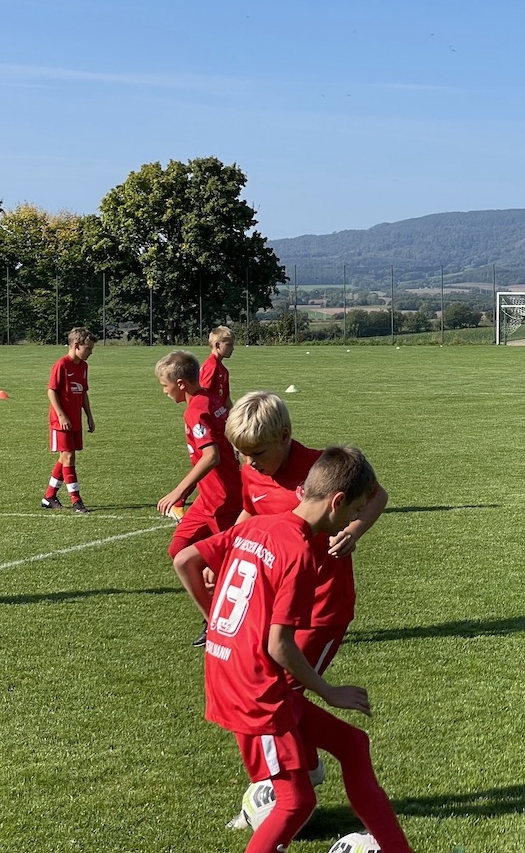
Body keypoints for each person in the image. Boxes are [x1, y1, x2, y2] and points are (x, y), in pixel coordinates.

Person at [172, 446, 414, 853]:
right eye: (355, 510)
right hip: (255, 694)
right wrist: (329, 691)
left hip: (238, 675)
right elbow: (279, 645)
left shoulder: (256, 526)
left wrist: (217, 623)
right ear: (337, 501)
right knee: (294, 802)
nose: (353, 521)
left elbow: (184, 560)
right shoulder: (300, 553)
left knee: (353, 745)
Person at [223, 390, 388, 803]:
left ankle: (291, 787)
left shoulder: (322, 469)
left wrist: (353, 531)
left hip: (322, 608)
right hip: (277, 605)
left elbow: (377, 495)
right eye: (242, 454)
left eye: (257, 453)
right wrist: (228, 551)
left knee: (282, 691)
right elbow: (250, 513)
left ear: (284, 436)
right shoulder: (251, 472)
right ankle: (301, 774)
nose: (249, 462)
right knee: (268, 689)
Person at [155, 350, 242, 645]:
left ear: (180, 383)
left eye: (164, 385)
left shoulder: (197, 410)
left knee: (226, 566)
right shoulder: (209, 400)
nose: (163, 391)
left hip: (222, 500)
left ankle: (221, 624)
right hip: (208, 498)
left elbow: (211, 456)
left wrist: (179, 491)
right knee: (179, 549)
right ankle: (213, 616)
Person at [41, 328, 96, 513]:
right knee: (69, 457)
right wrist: (61, 415)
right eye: (88, 348)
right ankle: (76, 501)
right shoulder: (61, 365)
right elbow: (51, 391)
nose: (91, 352)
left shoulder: (83, 367)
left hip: (75, 420)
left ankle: (49, 496)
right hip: (60, 422)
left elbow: (83, 393)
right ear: (76, 345)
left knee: (64, 458)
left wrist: (89, 416)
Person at [201, 326, 235, 409]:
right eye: (229, 345)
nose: (232, 348)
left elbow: (226, 399)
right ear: (217, 345)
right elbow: (203, 394)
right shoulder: (211, 366)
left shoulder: (223, 369)